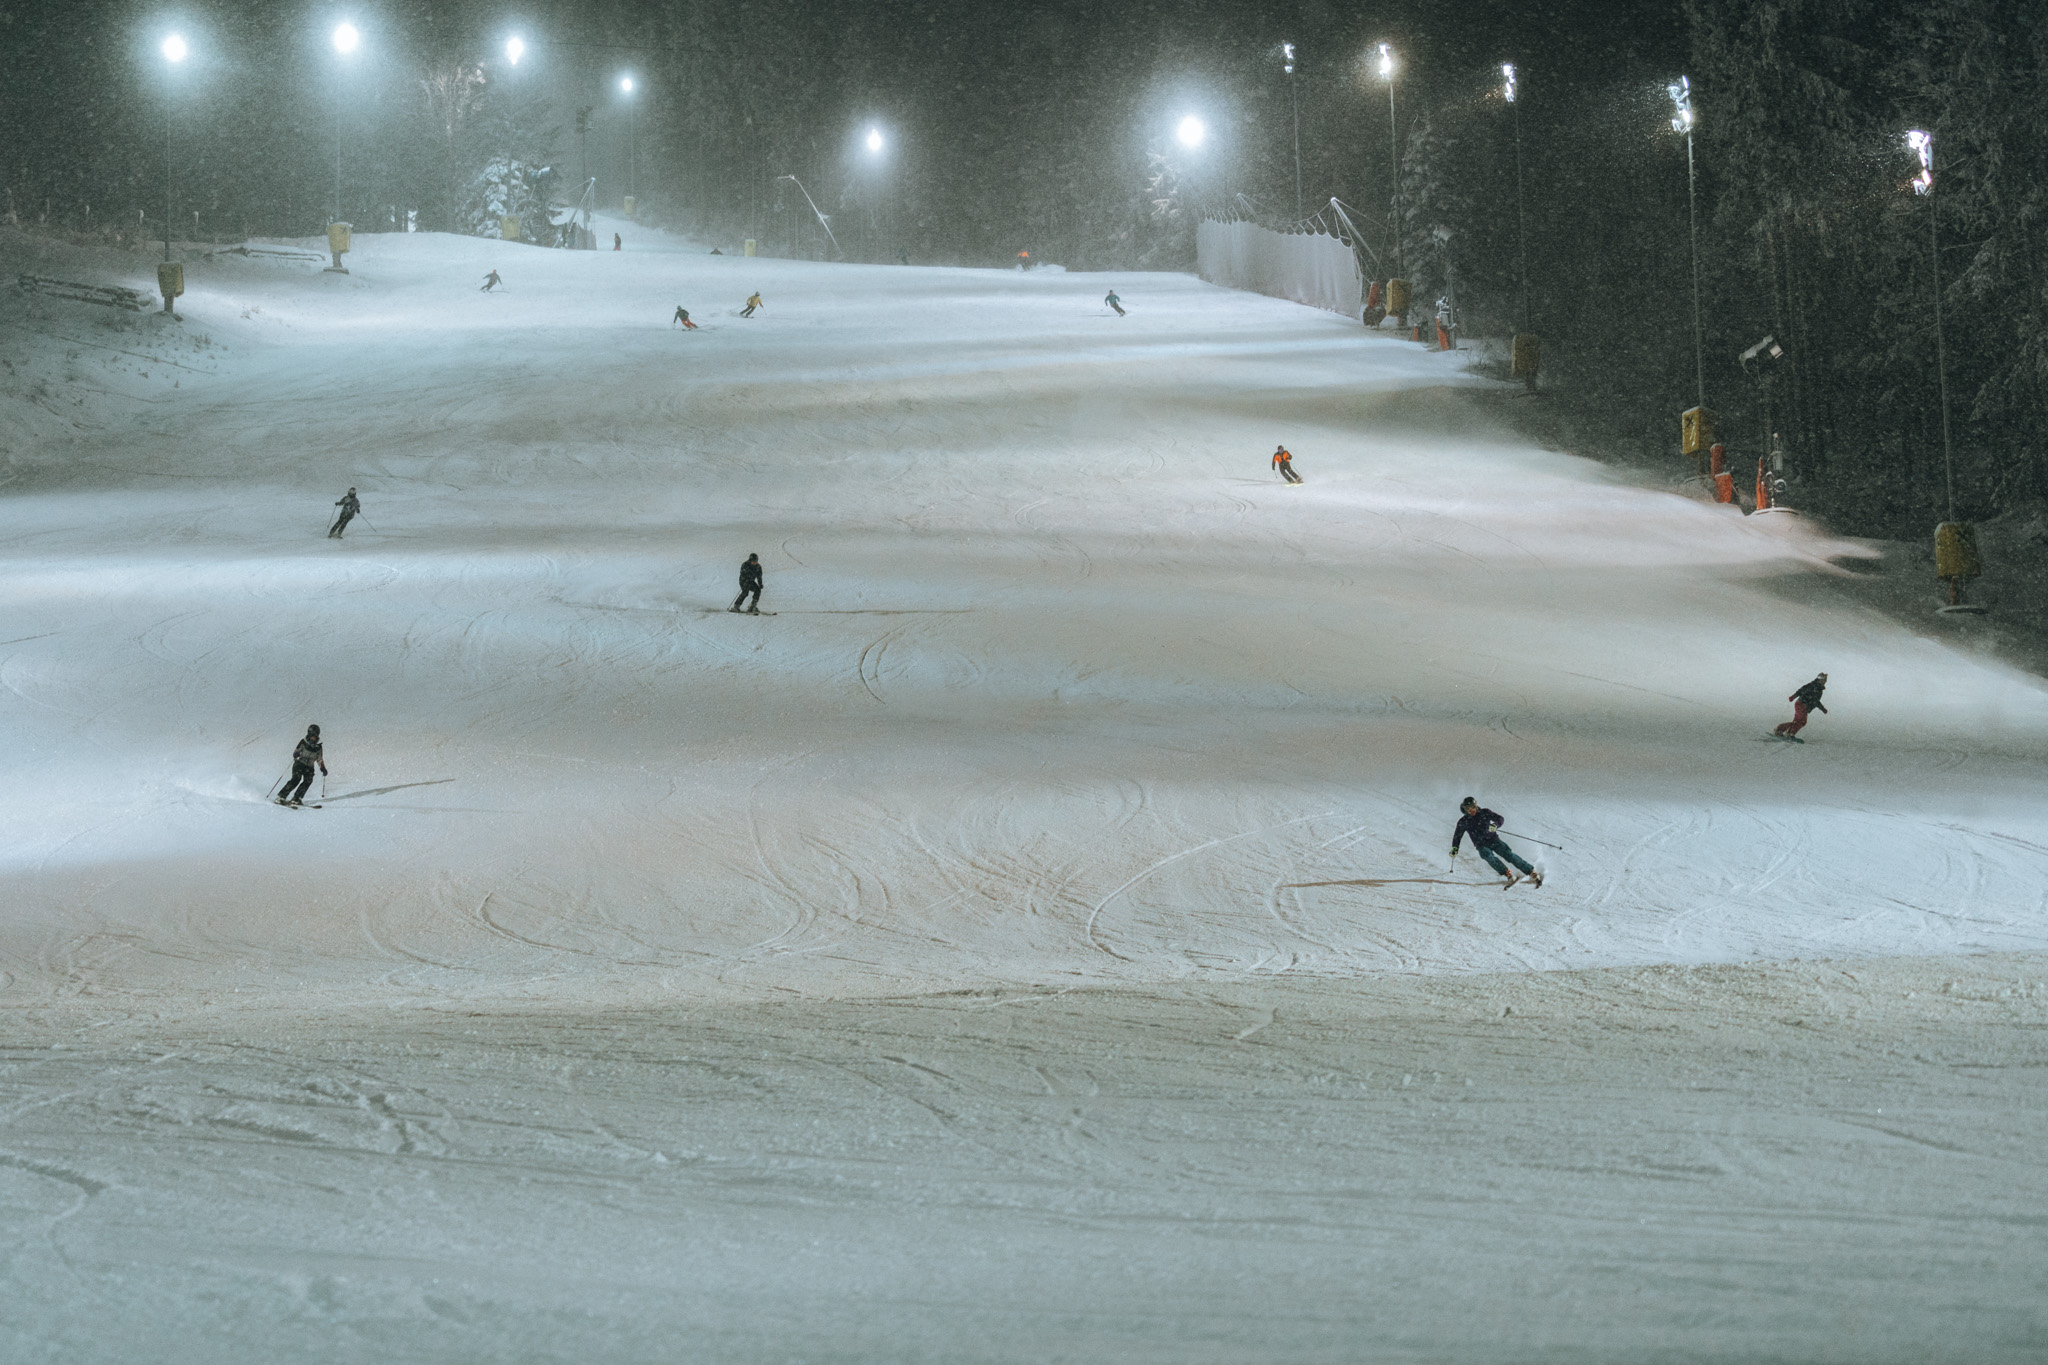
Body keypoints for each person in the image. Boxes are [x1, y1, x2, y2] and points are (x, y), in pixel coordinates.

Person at [1451, 797, 1542, 888]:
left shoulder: (1485, 812)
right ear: (1464, 809)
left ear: (1476, 805)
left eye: (1473, 807)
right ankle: (1508, 874)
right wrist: (1455, 848)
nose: (1471, 810)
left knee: (1508, 855)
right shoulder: (1463, 821)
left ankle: (1530, 872)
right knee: (1486, 855)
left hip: (1494, 840)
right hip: (1481, 845)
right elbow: (1457, 836)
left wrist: (1495, 825)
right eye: (1468, 809)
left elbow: (1500, 818)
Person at [277, 724, 327, 807]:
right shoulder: (303, 742)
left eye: (315, 736)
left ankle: (297, 798)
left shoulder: (318, 747)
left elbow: (319, 759)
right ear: (309, 734)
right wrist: (296, 754)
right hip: (300, 764)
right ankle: (281, 796)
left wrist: (323, 768)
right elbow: (296, 751)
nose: (314, 738)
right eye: (312, 736)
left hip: (310, 766)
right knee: (296, 779)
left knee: (308, 780)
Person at [1775, 672, 1829, 738]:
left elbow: (1815, 701)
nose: (1824, 682)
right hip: (1801, 704)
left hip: (1803, 705)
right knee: (1802, 721)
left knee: (1798, 721)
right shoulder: (1812, 685)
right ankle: (1788, 732)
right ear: (1819, 679)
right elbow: (1801, 690)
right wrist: (1793, 697)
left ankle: (1785, 731)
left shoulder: (1818, 688)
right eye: (1823, 680)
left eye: (1825, 680)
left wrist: (1822, 708)